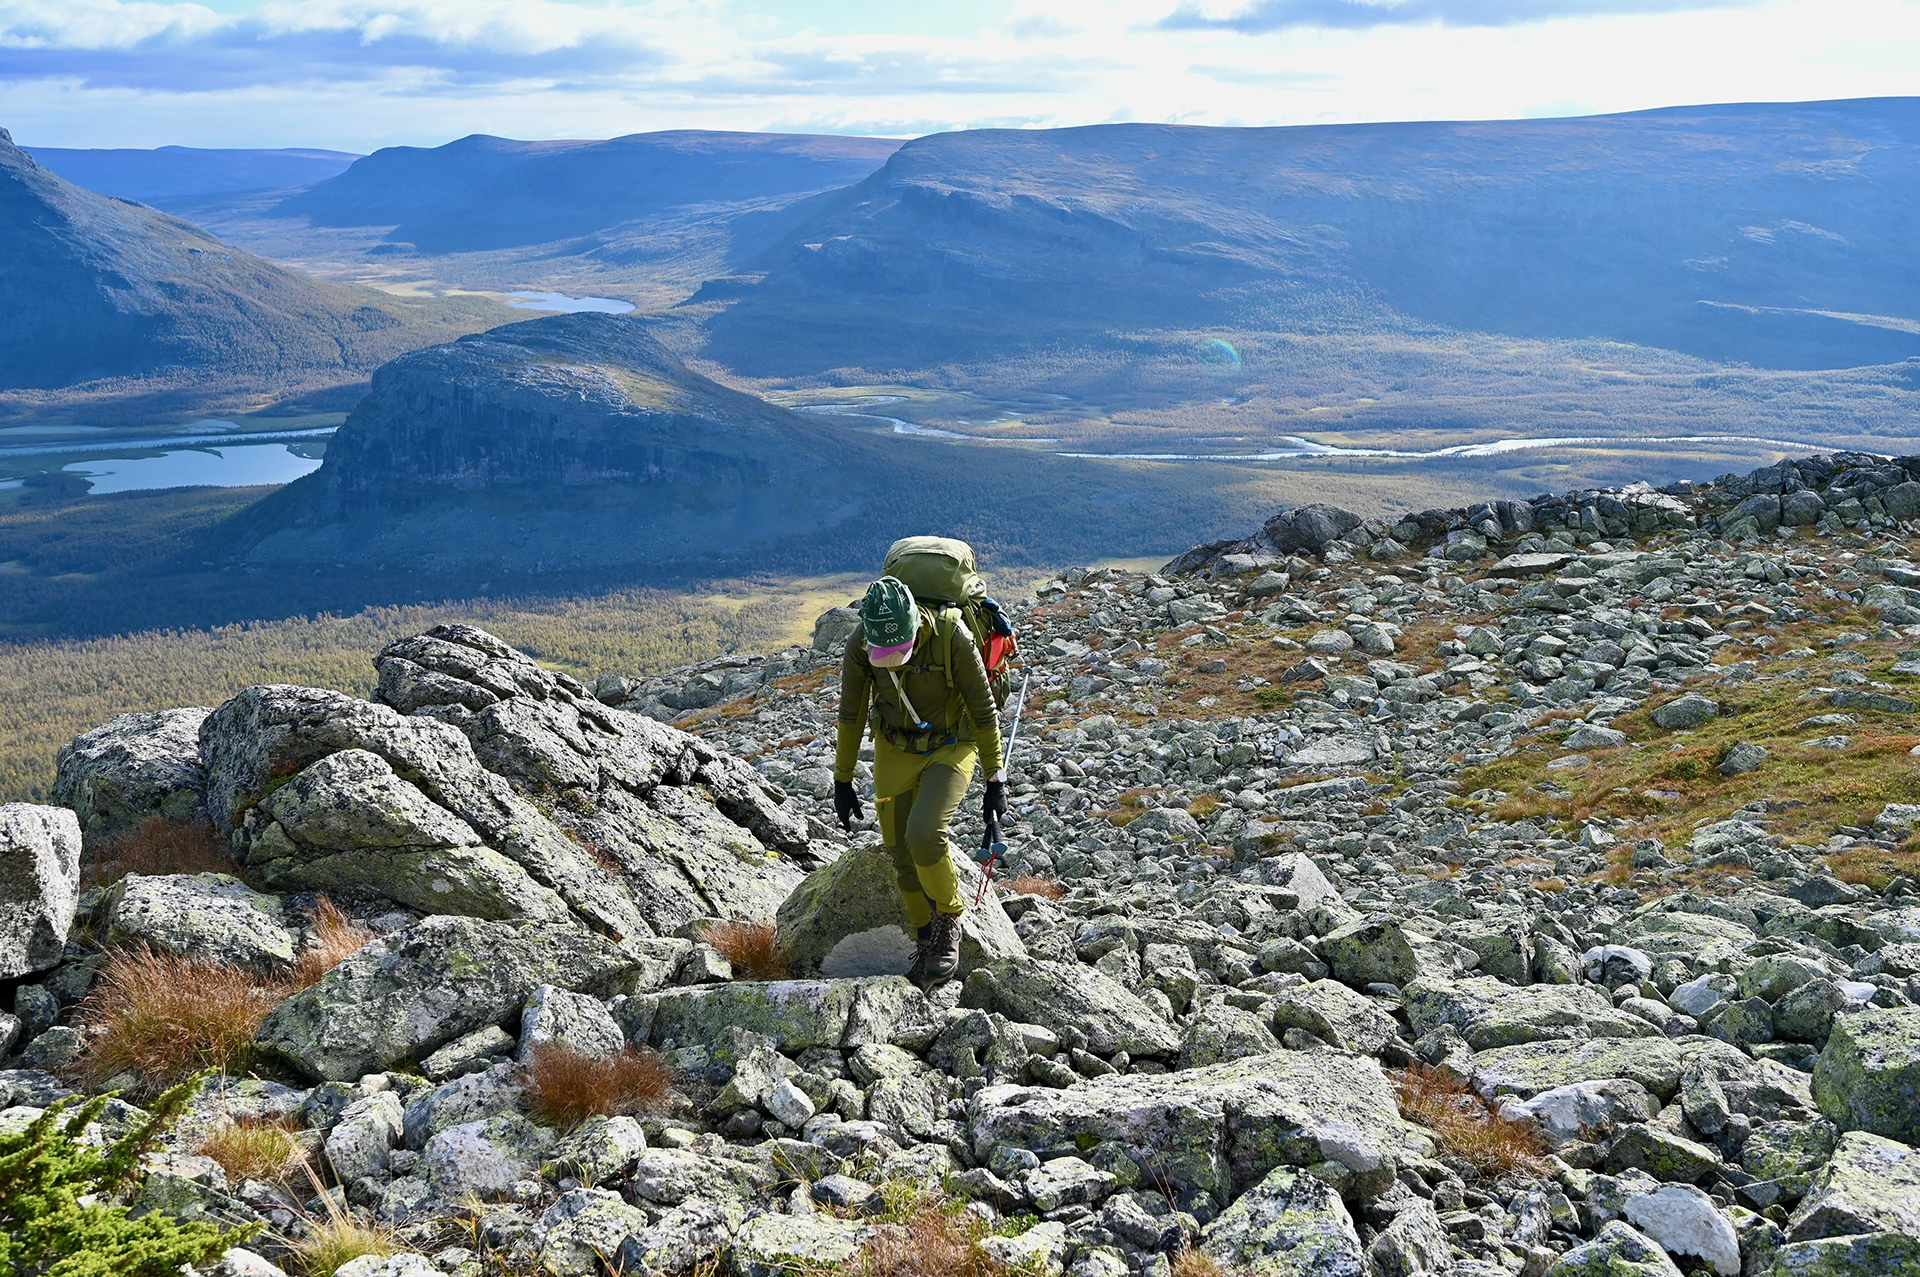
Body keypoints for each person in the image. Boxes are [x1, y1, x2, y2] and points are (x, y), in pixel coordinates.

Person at [831, 574, 1006, 988]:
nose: (893, 658)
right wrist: (842, 778)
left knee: (925, 834)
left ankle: (949, 922)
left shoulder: (951, 636)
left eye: (901, 650)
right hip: (895, 744)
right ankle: (925, 940)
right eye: (884, 652)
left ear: (915, 624)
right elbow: (852, 714)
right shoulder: (859, 644)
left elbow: (983, 711)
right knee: (898, 848)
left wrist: (995, 780)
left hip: (952, 743)